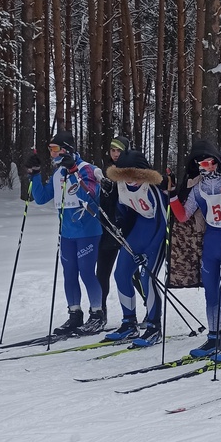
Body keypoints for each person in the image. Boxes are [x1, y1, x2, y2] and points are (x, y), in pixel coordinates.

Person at [169, 140, 221, 363]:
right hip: (211, 240)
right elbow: (183, 216)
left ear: (216, 162)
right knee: (210, 293)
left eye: (209, 162)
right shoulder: (198, 189)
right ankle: (214, 338)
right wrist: (173, 194)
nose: (205, 166)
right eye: (200, 163)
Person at [26, 129, 105, 335]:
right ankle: (74, 314)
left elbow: (90, 196)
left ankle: (97, 314)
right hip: (67, 233)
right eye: (49, 149)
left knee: (87, 272)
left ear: (65, 150)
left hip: (87, 230)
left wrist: (73, 171)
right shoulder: (57, 173)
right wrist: (34, 175)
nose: (51, 153)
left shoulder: (87, 169)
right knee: (69, 273)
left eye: (54, 149)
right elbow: (42, 198)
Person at [104, 148, 169, 346]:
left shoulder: (152, 189)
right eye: (125, 176)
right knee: (121, 274)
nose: (130, 181)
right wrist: (120, 224)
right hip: (138, 232)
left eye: (135, 176)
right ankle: (129, 323)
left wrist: (149, 253)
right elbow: (123, 209)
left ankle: (153, 327)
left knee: (147, 278)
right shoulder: (122, 186)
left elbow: (163, 223)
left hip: (157, 235)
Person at [95, 135, 131, 316]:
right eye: (113, 150)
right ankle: (100, 312)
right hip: (106, 228)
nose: (115, 154)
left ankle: (150, 313)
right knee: (102, 273)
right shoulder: (106, 170)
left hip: (126, 230)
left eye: (119, 150)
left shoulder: (132, 169)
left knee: (133, 274)